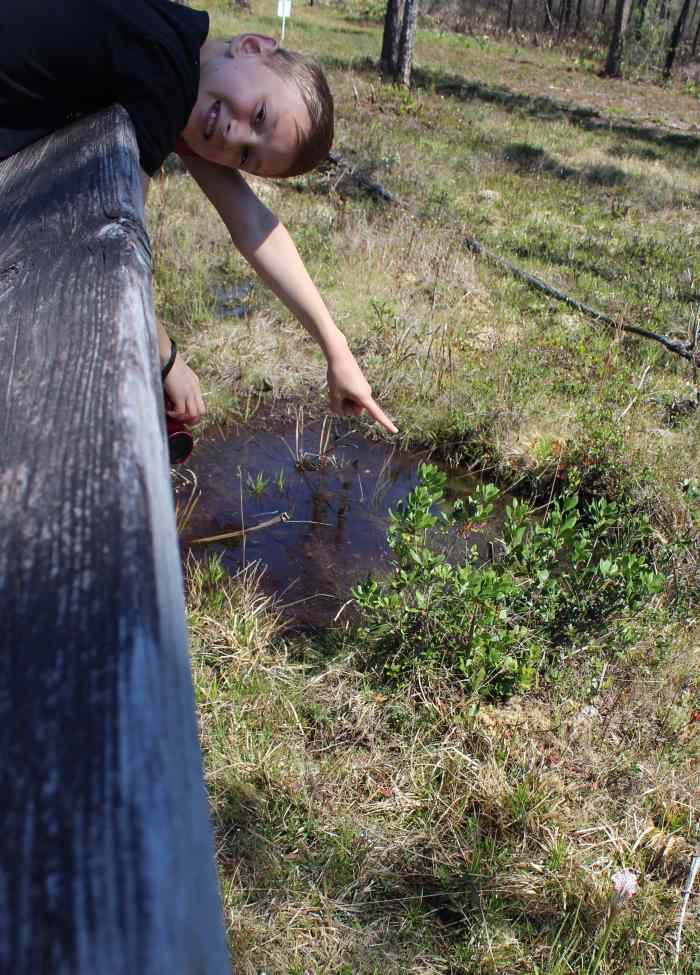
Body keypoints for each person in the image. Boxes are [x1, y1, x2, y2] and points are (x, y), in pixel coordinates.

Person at [1, 0, 397, 435]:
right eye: (261, 114)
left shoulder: (180, 51)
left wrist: (336, 349)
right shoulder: (165, 73)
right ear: (252, 45)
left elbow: (253, 222)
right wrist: (166, 356)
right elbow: (115, 247)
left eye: (246, 156)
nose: (234, 134)